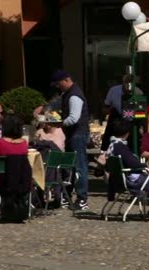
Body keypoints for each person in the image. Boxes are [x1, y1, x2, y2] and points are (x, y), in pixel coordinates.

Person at [51, 70, 90, 210]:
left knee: (79, 167)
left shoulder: (74, 96)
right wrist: (45, 108)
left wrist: (57, 124)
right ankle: (67, 197)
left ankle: (82, 199)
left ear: (66, 80)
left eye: (58, 83)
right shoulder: (67, 94)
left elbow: (73, 118)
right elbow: (55, 104)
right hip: (73, 135)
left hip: (78, 134)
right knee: (70, 167)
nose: (57, 86)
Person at [101, 74, 143, 151]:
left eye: (131, 83)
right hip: (116, 119)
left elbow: (141, 112)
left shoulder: (138, 93)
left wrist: (141, 126)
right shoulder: (113, 90)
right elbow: (105, 107)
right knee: (108, 143)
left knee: (131, 146)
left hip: (131, 121)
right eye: (127, 83)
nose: (128, 86)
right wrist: (110, 111)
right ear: (123, 82)